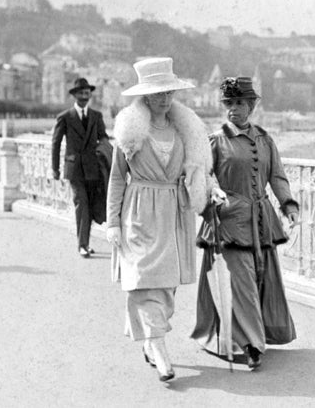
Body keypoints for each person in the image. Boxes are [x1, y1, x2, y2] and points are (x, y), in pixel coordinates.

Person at [105, 57, 212, 382]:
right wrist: (112, 222)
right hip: (138, 212)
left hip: (173, 212)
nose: (164, 99)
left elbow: (194, 169)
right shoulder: (130, 131)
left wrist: (207, 189)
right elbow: (117, 179)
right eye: (157, 93)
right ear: (144, 97)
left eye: (168, 92)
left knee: (165, 287)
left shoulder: (184, 130)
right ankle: (160, 349)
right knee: (142, 279)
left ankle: (151, 339)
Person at [191, 76, 299, 370]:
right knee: (242, 283)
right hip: (228, 220)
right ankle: (252, 345)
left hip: (261, 220)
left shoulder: (265, 140)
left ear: (251, 106)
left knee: (260, 278)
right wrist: (212, 196)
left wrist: (288, 204)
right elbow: (203, 176)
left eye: (240, 103)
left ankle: (251, 335)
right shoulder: (214, 141)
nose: (234, 109)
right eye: (229, 103)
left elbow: (277, 176)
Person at [51, 78, 110, 258]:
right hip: (74, 168)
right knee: (81, 204)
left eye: (87, 93)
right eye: (81, 93)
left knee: (91, 206)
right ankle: (82, 245)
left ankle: (85, 242)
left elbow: (104, 138)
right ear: (74, 95)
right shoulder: (65, 117)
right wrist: (55, 168)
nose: (84, 97)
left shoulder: (96, 116)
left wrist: (104, 152)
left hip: (93, 167)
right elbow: (56, 143)